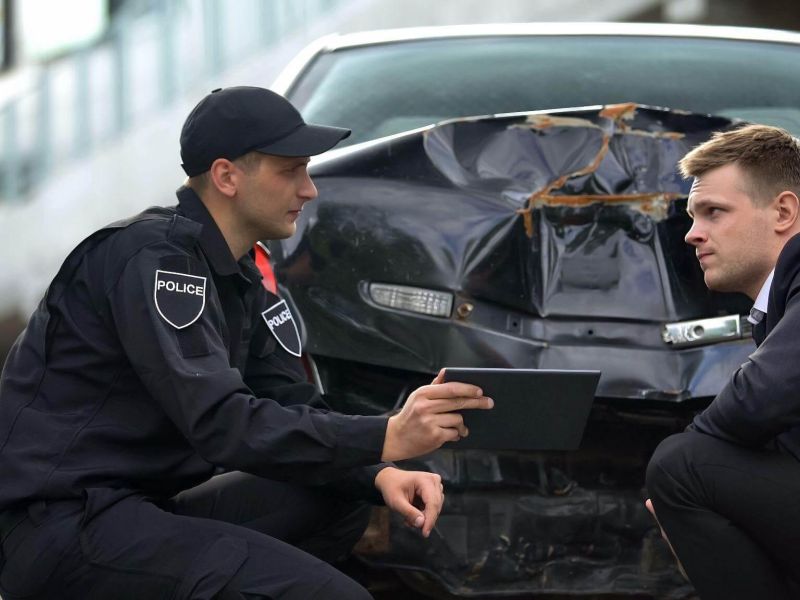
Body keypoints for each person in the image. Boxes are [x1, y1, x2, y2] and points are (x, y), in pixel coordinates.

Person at [0, 86, 494, 600]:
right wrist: (386, 434)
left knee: (342, 494)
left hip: (137, 509)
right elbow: (222, 423)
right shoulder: (156, 262)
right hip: (66, 525)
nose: (309, 190)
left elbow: (288, 399)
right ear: (226, 177)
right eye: (291, 170)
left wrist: (378, 472)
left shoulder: (235, 275)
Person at [645, 124, 800, 599]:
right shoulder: (778, 305)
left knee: (681, 464)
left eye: (714, 212)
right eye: (693, 216)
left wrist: (683, 483)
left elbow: (763, 396)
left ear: (783, 212)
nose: (692, 234)